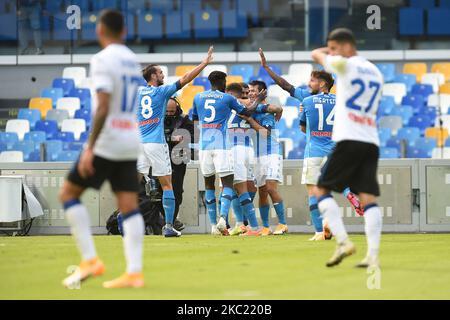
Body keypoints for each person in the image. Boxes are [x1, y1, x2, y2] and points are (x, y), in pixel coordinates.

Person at [59, 10, 145, 289]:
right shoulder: (133, 60)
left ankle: (90, 259)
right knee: (129, 206)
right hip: (131, 139)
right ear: (124, 31)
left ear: (100, 31)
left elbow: (104, 106)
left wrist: (89, 147)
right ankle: (134, 272)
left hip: (108, 140)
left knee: (68, 193)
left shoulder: (101, 60)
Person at [311, 28, 383, 268]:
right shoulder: (375, 71)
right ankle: (372, 255)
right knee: (368, 198)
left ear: (344, 46)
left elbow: (315, 54)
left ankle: (343, 242)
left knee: (321, 190)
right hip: (370, 140)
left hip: (349, 138)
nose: (331, 53)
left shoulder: (345, 65)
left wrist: (327, 51)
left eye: (334, 48)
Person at [137, 47, 213, 237]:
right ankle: (169, 226)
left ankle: (124, 219)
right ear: (154, 76)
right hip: (155, 142)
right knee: (167, 184)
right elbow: (186, 79)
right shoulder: (161, 92)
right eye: (161, 72)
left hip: (138, 142)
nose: (163, 75)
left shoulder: (137, 92)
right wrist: (204, 64)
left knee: (134, 183)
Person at [192, 71, 264, 235]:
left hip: (204, 145)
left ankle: (213, 226)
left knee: (209, 184)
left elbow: (195, 119)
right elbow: (247, 112)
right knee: (228, 185)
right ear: (222, 81)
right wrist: (258, 100)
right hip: (222, 146)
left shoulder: (198, 97)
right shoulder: (227, 98)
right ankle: (224, 219)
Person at [300, 71, 364, 241]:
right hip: (334, 151)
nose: (309, 83)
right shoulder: (340, 102)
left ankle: (319, 232)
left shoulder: (306, 101)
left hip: (314, 151)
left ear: (322, 84)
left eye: (312, 80)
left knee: (313, 192)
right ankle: (349, 193)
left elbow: (303, 128)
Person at [225, 83, 282, 236]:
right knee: (251, 190)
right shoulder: (250, 106)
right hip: (252, 153)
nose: (248, 95)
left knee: (235, 188)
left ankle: (250, 226)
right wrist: (277, 109)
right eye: (246, 92)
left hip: (237, 151)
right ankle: (249, 225)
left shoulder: (229, 104)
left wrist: (277, 109)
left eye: (251, 91)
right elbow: (272, 108)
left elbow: (267, 127)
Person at [240, 80, 288, 236]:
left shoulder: (266, 112)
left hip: (272, 154)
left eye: (254, 91)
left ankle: (282, 223)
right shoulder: (255, 109)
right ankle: (266, 227)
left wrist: (250, 120)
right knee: (261, 192)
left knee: (271, 188)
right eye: (250, 91)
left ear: (262, 92)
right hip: (258, 156)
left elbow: (265, 133)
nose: (251, 93)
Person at [164, 97, 194, 231]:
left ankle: (171, 221)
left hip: (179, 159)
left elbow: (194, 135)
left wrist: (184, 137)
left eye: (172, 111)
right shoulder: (157, 119)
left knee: (177, 191)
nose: (170, 114)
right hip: (161, 157)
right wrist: (171, 138)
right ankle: (168, 221)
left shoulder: (184, 119)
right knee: (157, 192)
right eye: (167, 111)